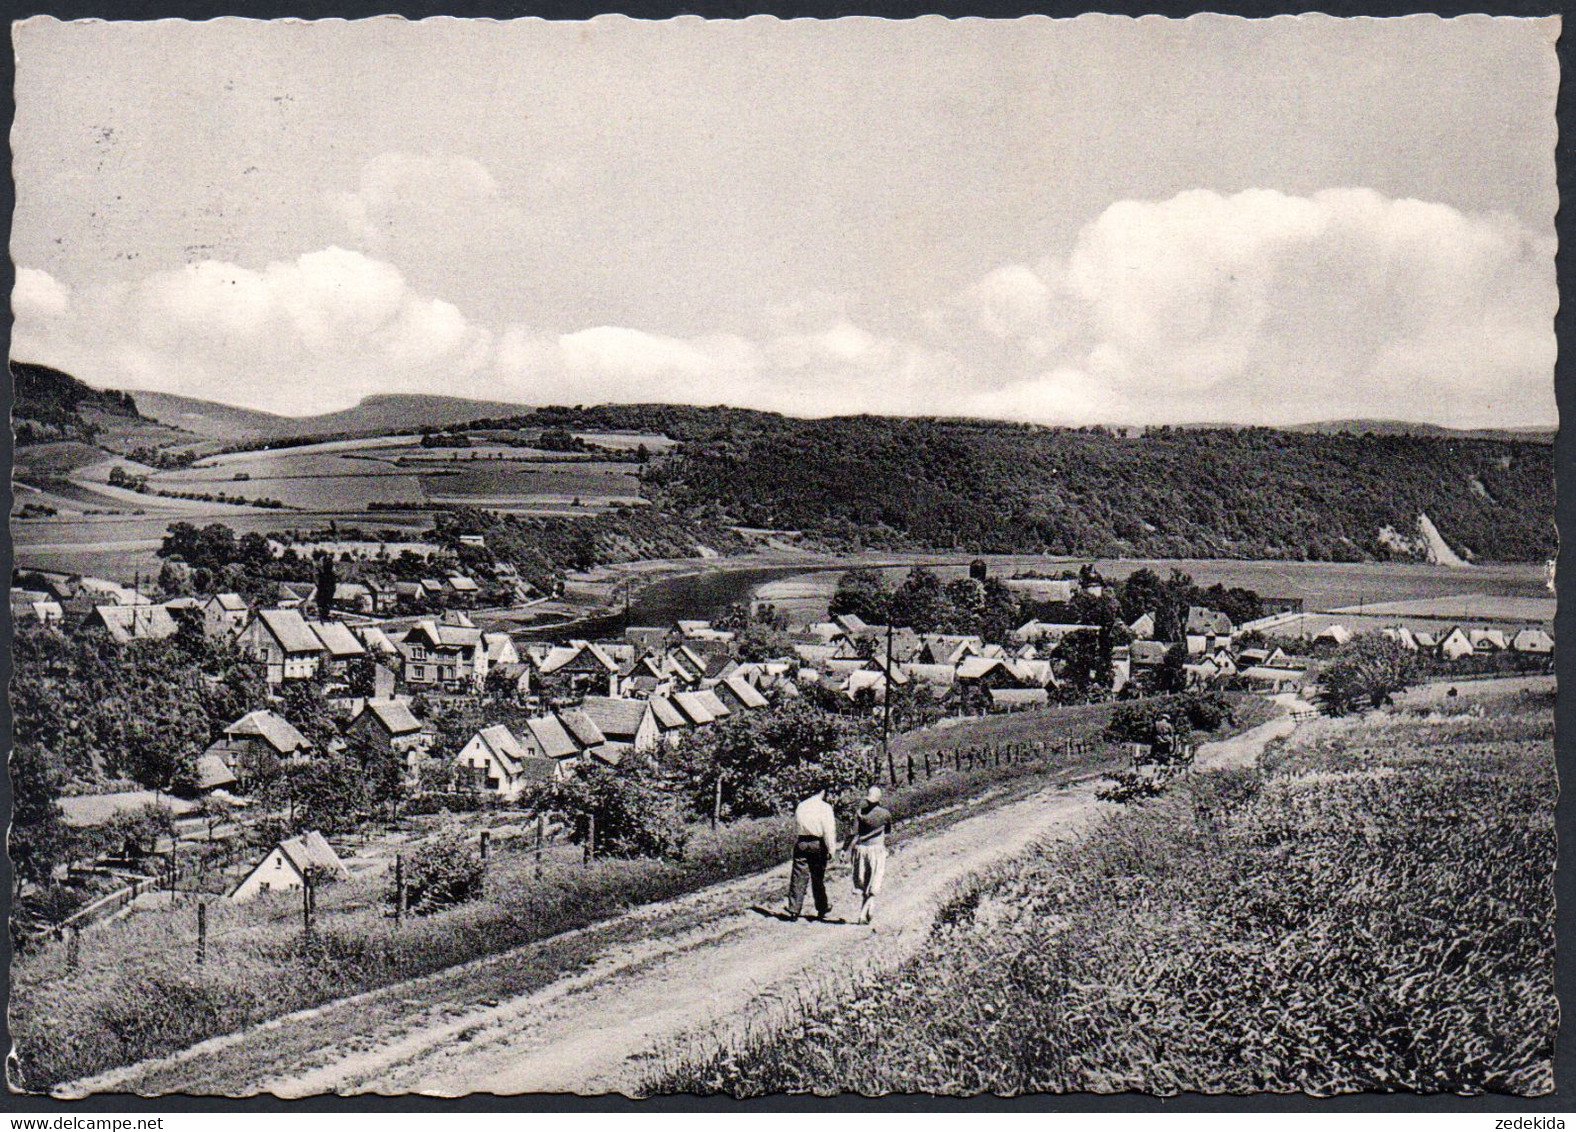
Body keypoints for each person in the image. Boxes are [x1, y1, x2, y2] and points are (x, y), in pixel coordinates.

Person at [784, 785, 838, 921]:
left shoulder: (801, 806)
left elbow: (797, 825)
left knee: (798, 876)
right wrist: (831, 848)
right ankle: (822, 907)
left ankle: (794, 909)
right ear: (822, 791)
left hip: (801, 842)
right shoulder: (824, 807)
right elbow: (828, 830)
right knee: (817, 877)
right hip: (817, 843)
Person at [846, 785, 894, 925]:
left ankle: (866, 910)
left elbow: (852, 833)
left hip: (861, 850)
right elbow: (888, 832)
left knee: (864, 881)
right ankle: (864, 913)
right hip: (877, 850)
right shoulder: (885, 814)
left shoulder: (860, 813)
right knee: (874, 881)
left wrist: (844, 849)